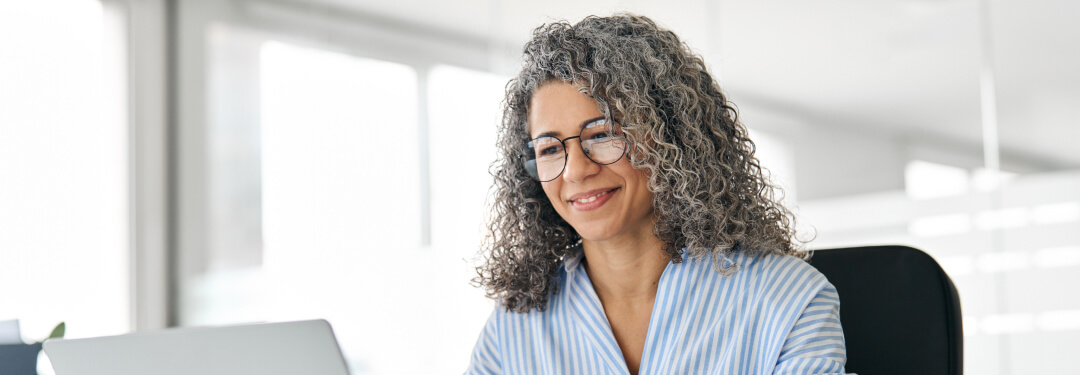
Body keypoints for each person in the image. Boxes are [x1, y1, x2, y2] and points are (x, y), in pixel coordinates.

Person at [468, 14, 847, 375]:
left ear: (672, 139)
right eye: (549, 149)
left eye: (603, 134)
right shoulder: (512, 327)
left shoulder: (789, 300)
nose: (576, 170)